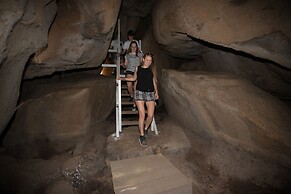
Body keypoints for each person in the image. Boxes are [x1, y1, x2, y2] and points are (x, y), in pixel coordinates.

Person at [118, 53, 159, 147]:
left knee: (150, 115)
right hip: (139, 93)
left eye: (150, 61)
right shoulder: (138, 68)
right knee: (141, 115)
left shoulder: (151, 70)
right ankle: (141, 136)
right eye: (147, 60)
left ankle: (145, 128)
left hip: (150, 93)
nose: (148, 62)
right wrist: (121, 78)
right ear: (143, 59)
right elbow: (133, 78)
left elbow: (154, 81)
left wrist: (157, 92)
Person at [124, 41, 143, 110]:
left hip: (137, 71)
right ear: (130, 47)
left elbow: (142, 63)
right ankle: (132, 96)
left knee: (136, 88)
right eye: (132, 46)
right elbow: (125, 64)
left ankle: (134, 105)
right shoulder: (127, 55)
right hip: (129, 70)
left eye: (135, 46)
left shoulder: (140, 54)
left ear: (137, 47)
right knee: (129, 84)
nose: (134, 48)